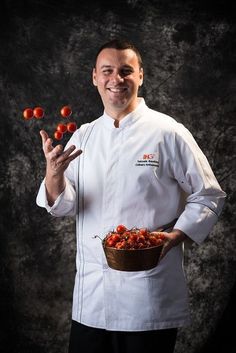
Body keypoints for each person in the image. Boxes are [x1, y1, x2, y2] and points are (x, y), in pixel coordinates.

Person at [36, 38, 226, 353]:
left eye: (126, 70)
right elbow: (64, 204)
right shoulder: (83, 135)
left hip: (148, 296)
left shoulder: (168, 132)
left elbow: (209, 196)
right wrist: (53, 174)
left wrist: (174, 237)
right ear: (94, 77)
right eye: (107, 70)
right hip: (91, 299)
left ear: (140, 75)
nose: (117, 79)